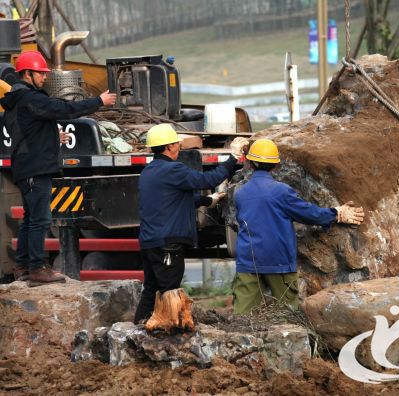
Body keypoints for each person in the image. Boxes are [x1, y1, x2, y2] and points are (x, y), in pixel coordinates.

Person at [0, 50, 117, 286]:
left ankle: (23, 265)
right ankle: (38, 268)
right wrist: (98, 102)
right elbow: (64, 110)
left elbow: (29, 132)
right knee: (40, 220)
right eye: (40, 73)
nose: (44, 77)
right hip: (36, 168)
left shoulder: (18, 100)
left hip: (27, 165)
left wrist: (54, 137)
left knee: (31, 218)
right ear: (27, 74)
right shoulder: (31, 98)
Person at [233, 138, 365, 314]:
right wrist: (336, 213)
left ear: (249, 163)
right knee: (288, 317)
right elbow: (309, 213)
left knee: (242, 318)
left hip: (248, 261)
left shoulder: (240, 193)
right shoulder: (281, 192)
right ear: (275, 166)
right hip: (278, 261)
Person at [134, 123, 248, 323]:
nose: (179, 147)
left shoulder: (149, 172)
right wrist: (233, 158)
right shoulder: (174, 169)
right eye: (177, 144)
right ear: (169, 147)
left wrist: (207, 200)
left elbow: (171, 199)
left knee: (151, 289)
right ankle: (169, 334)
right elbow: (208, 179)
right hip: (168, 244)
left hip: (150, 242)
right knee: (170, 292)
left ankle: (137, 329)